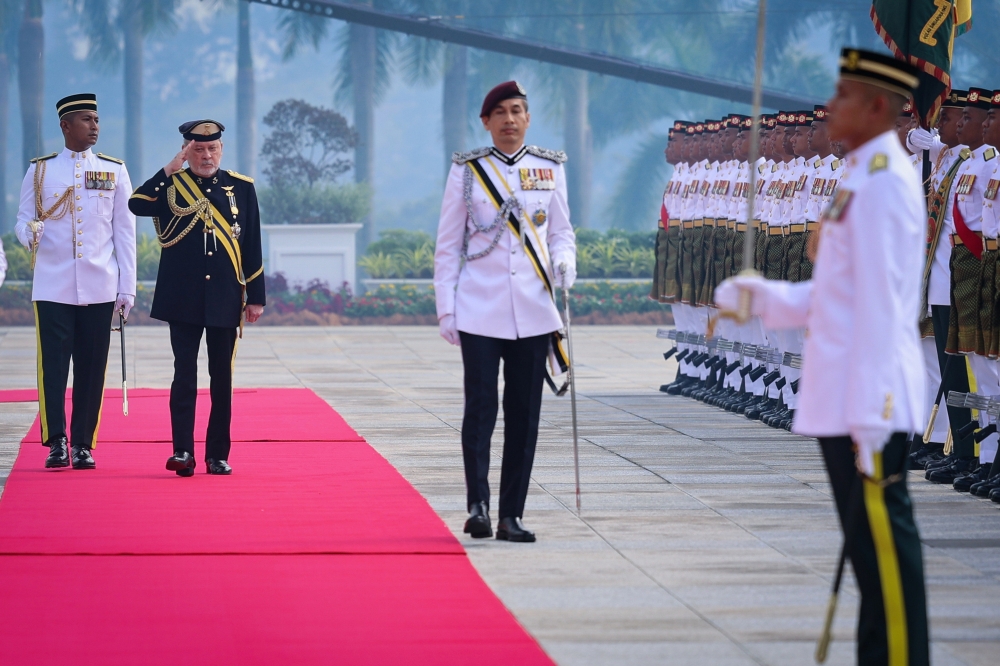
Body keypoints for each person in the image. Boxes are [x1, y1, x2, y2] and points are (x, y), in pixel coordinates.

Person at [716, 48, 928, 665]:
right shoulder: (860, 173)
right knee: (868, 558)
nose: (830, 106)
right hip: (846, 394)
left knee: (888, 557)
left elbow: (884, 307)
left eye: (843, 95)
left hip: (868, 399)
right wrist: (765, 297)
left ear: (879, 106)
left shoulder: (885, 181)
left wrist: (871, 411)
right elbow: (839, 293)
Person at [434, 81, 576, 542]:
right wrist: (446, 309)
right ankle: (477, 504)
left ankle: (510, 514)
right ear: (486, 122)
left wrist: (565, 260)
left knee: (524, 413)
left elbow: (561, 232)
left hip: (534, 310)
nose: (509, 119)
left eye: (517, 111)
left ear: (528, 118)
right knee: (480, 409)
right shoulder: (468, 171)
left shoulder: (549, 169)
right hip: (479, 307)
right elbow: (447, 246)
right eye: (500, 112)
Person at [128, 120, 265, 476]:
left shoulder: (241, 188)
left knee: (222, 378)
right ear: (187, 151)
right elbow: (137, 204)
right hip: (183, 297)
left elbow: (251, 244)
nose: (207, 156)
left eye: (213, 149)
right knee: (184, 375)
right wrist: (168, 170)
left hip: (225, 295)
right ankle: (183, 452)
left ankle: (217, 454)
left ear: (221, 149)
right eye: (199, 150)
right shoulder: (172, 185)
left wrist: (256, 296)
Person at [14, 93, 136, 470]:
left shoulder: (114, 170)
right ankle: (57, 441)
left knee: (91, 365)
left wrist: (127, 287)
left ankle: (84, 443)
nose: (95, 126)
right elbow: (21, 220)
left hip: (100, 285)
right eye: (86, 120)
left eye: (97, 119)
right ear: (66, 125)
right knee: (53, 366)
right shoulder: (40, 172)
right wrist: (29, 231)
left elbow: (125, 233)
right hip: (53, 286)